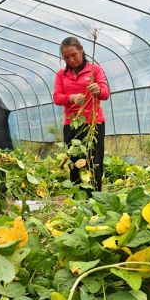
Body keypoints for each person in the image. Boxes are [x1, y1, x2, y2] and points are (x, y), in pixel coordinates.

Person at [53, 36, 110, 188]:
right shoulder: (61, 75)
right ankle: (78, 199)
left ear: (81, 50)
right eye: (66, 57)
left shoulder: (94, 70)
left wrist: (97, 90)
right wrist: (71, 98)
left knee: (94, 161)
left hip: (94, 123)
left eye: (74, 55)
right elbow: (57, 98)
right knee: (75, 161)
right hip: (72, 125)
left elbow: (105, 93)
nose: (71, 60)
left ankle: (95, 197)